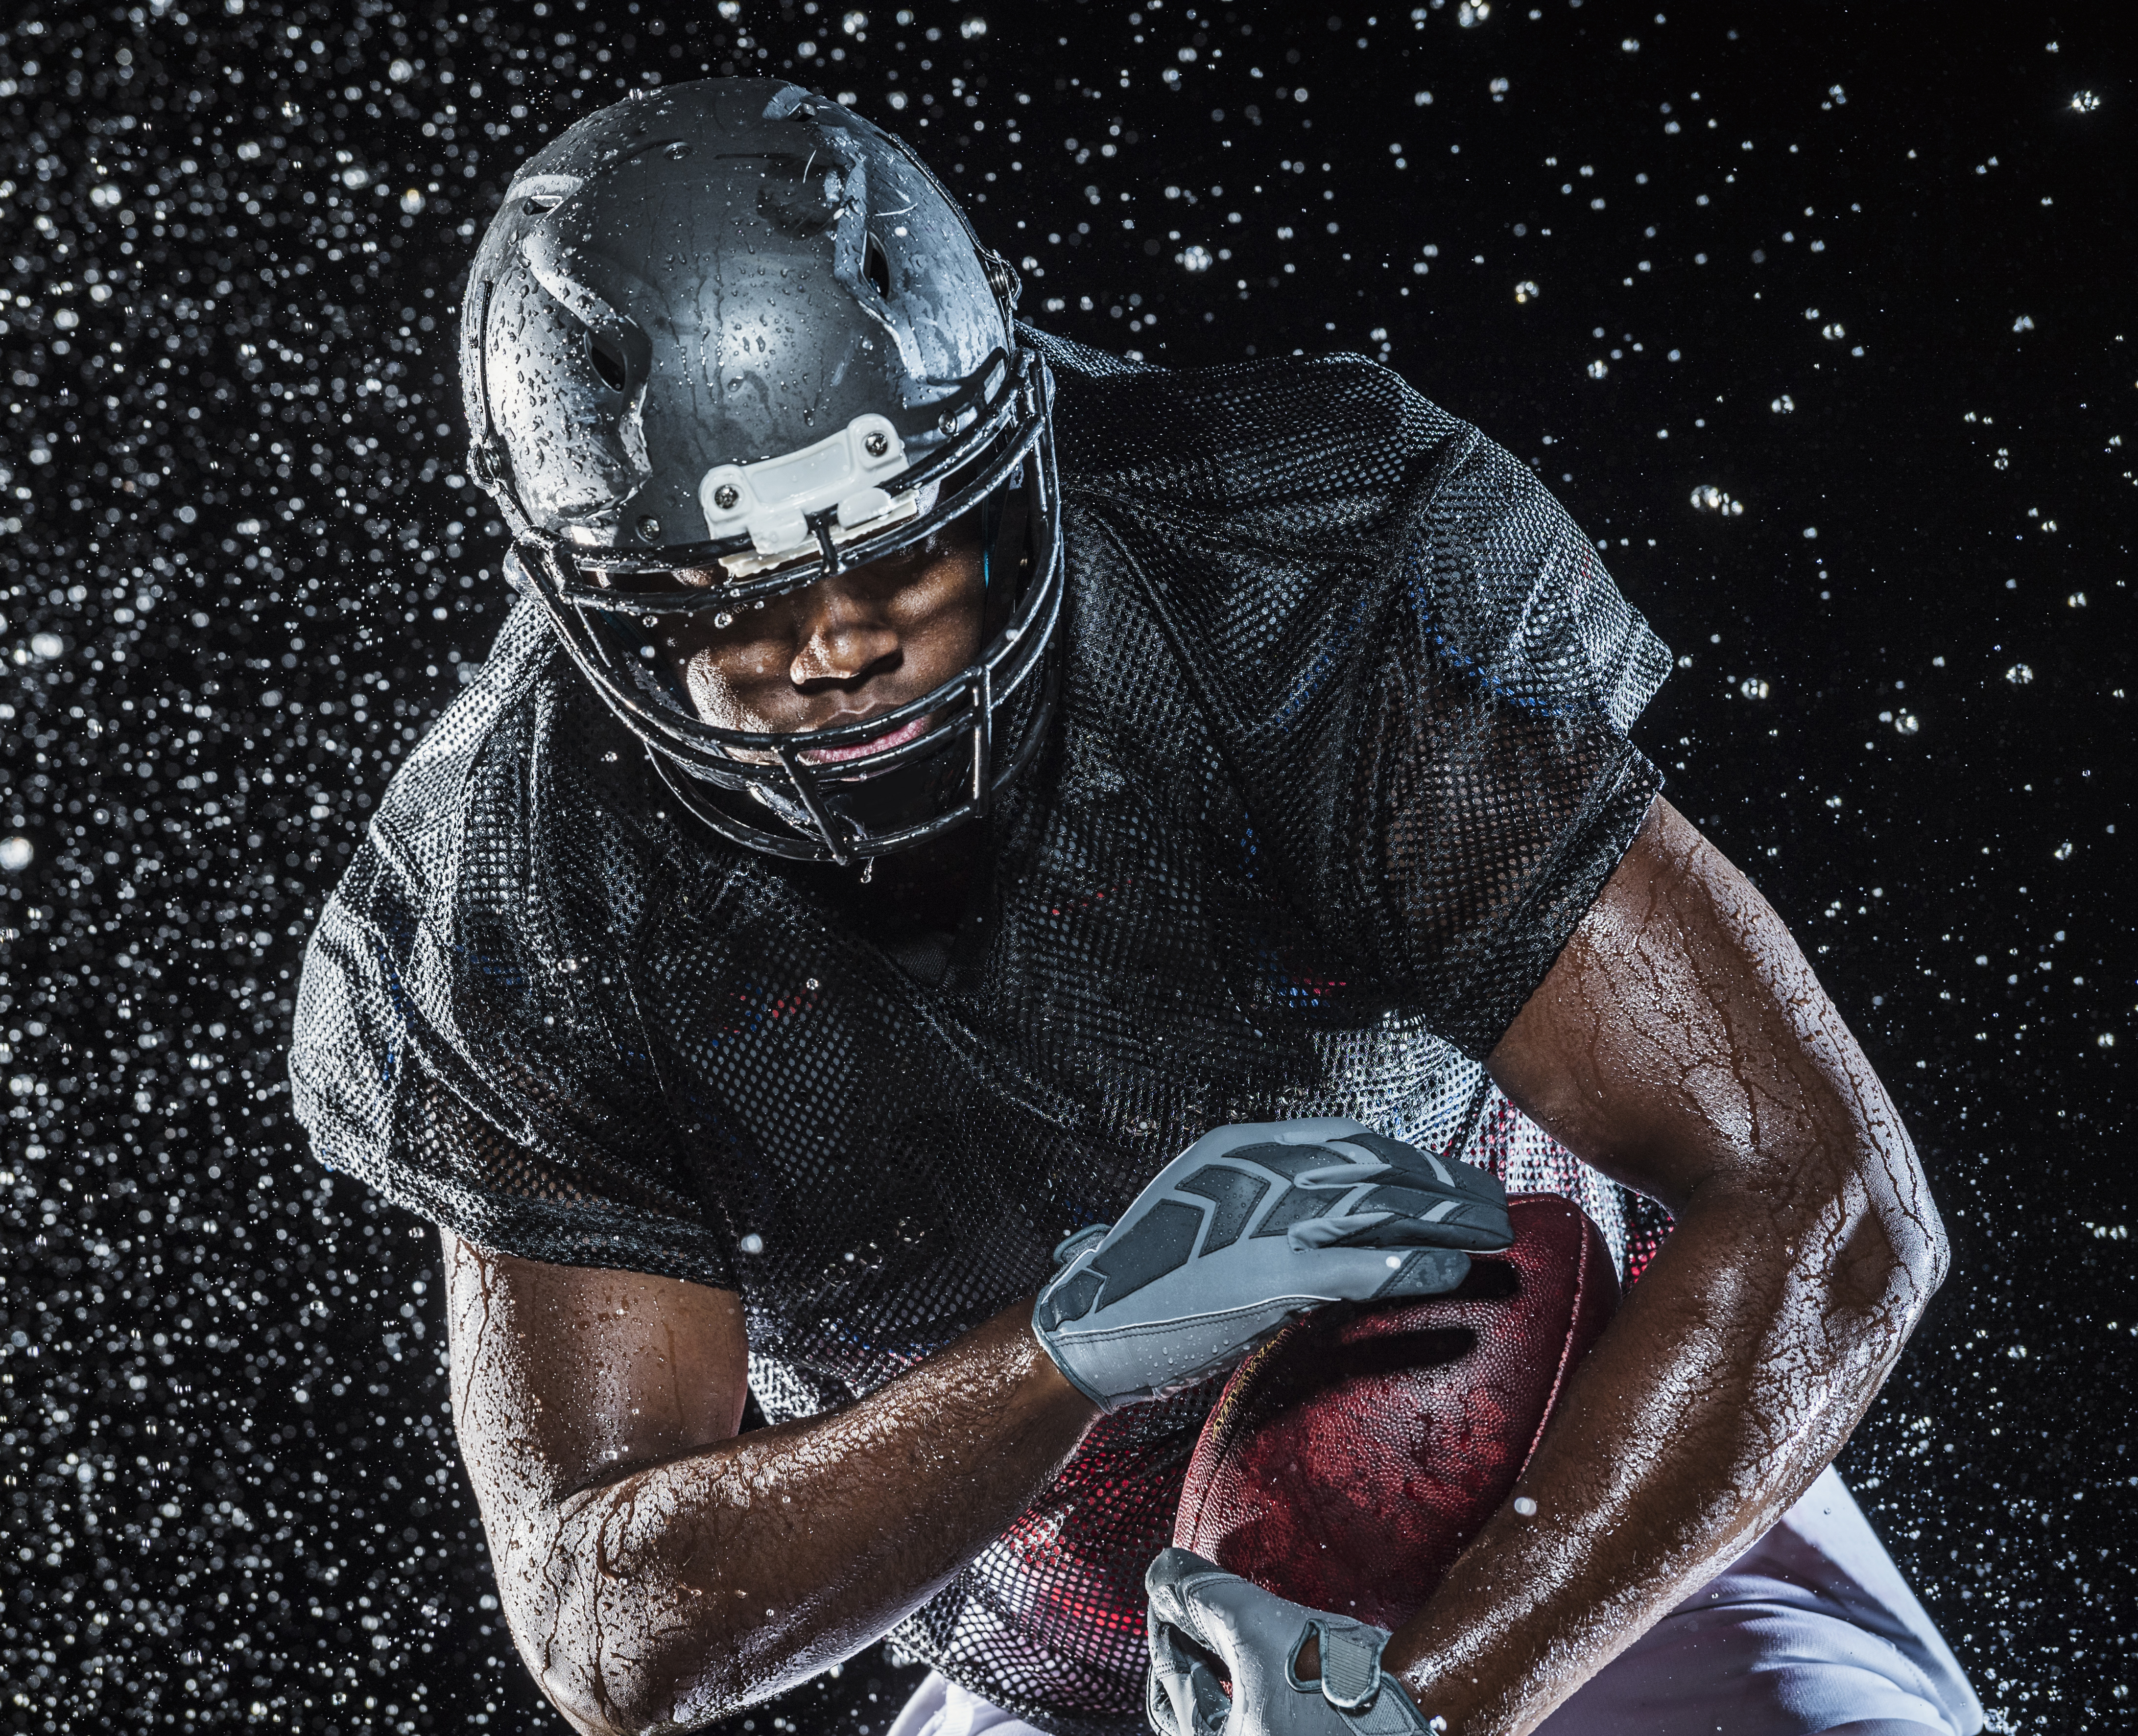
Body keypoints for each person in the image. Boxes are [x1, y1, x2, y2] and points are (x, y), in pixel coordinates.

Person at [289, 79, 1981, 1736]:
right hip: (1080, 1670)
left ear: (1011, 452)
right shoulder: (521, 890)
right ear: (584, 603)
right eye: (734, 603)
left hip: (1578, 1524)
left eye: (894, 551)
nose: (837, 645)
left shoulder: (1278, 575)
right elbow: (603, 1626)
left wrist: (1424, 1707)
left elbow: (1827, 1199)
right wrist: (1063, 1354)